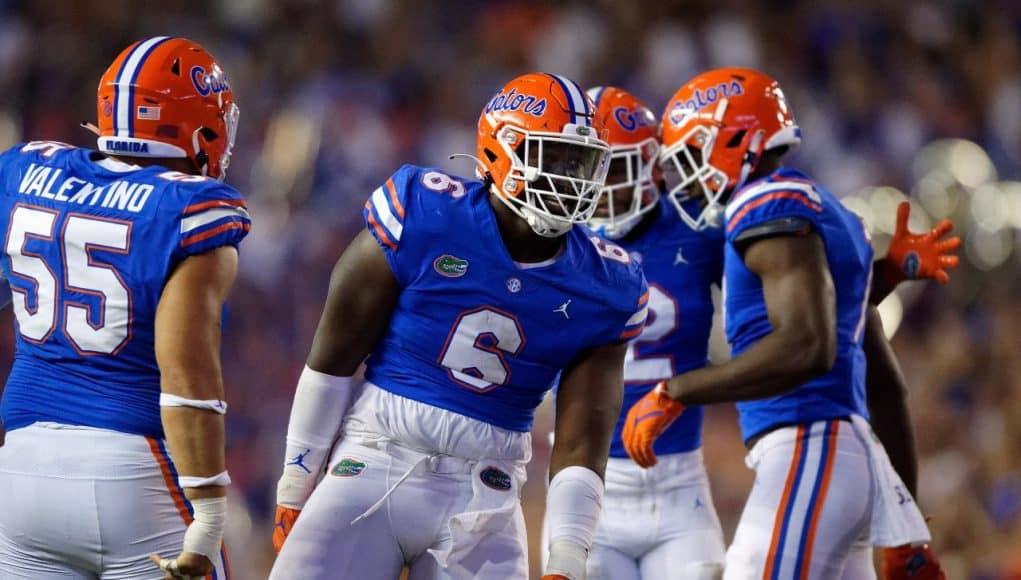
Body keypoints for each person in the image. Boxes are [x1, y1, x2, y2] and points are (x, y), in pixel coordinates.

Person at [269, 72, 648, 580]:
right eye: (556, 159)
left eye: (582, 163)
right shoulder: (425, 212)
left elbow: (582, 439)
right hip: (374, 457)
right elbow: (332, 359)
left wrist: (566, 560)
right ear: (501, 152)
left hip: (485, 493)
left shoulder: (606, 282)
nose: (574, 179)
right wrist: (295, 485)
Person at [621, 68, 954, 579]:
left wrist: (676, 391)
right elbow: (884, 384)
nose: (685, 180)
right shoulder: (833, 213)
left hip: (809, 447)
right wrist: (904, 516)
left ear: (734, 139)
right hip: (851, 458)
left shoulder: (763, 202)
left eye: (690, 157)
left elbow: (806, 345)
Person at [0, 37, 247, 580]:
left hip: (20, 468)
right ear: (198, 124)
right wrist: (207, 511)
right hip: (133, 475)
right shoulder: (190, 207)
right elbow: (186, 377)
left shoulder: (22, 171)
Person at [576, 86, 728, 580]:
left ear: (652, 164)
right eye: (588, 168)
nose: (600, 186)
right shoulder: (555, 238)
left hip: (680, 485)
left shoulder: (698, 227)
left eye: (614, 168)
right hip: (586, 486)